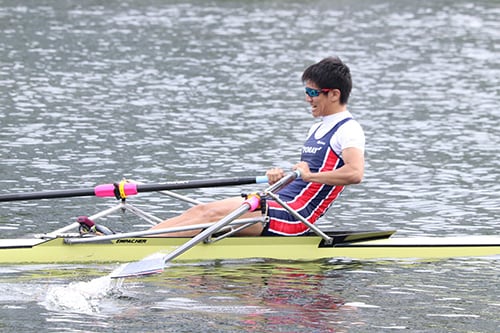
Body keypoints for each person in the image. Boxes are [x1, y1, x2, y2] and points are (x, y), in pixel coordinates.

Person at [151, 56, 365, 237]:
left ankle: (135, 246)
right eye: (306, 92)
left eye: (312, 93)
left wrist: (308, 176)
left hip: (296, 216)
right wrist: (282, 178)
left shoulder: (348, 129)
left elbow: (355, 173)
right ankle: (136, 241)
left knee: (208, 216)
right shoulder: (316, 129)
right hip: (277, 201)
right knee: (199, 210)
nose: (307, 99)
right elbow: (306, 174)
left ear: (334, 94)